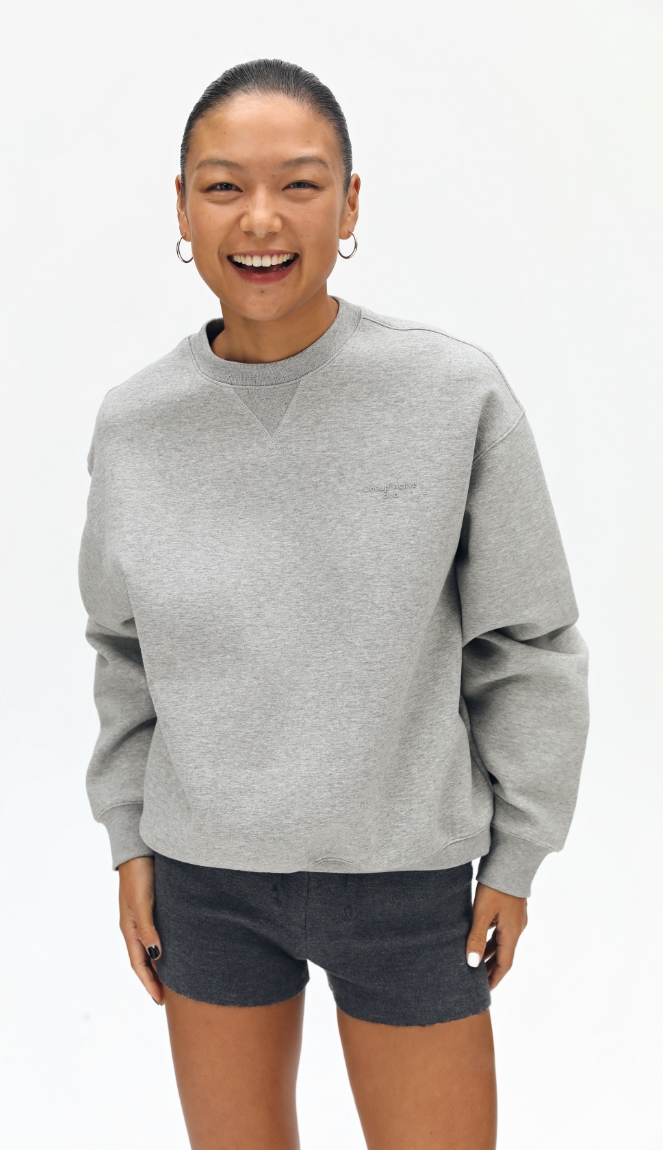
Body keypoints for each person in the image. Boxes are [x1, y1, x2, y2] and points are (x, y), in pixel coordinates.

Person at [78, 59, 589, 1150]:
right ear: (181, 207)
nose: (261, 218)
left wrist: (517, 856)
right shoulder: (135, 424)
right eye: (223, 186)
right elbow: (122, 649)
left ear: (351, 205)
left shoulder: (452, 394)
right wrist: (129, 840)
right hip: (204, 881)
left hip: (407, 883)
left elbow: (530, 641)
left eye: (300, 184)